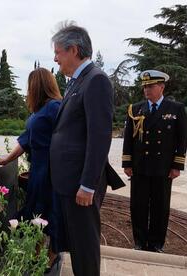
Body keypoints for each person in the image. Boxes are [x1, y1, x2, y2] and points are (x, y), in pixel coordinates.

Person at [49, 22, 124, 276]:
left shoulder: (96, 80)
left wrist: (88, 184)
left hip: (80, 182)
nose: (55, 58)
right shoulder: (77, 81)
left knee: (85, 245)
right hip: (69, 180)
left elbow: (100, 136)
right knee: (76, 243)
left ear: (73, 49)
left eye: (58, 52)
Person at [0, 68, 64, 271]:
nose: (28, 90)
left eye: (30, 86)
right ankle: (36, 256)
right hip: (39, 171)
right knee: (37, 215)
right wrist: (6, 159)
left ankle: (51, 259)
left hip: (51, 172)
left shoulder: (55, 107)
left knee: (51, 215)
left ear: (38, 85)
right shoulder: (41, 109)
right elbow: (26, 139)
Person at [122, 70, 187, 253]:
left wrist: (177, 166)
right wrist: (127, 163)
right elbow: (128, 138)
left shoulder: (175, 109)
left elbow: (182, 140)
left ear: (162, 87)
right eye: (144, 86)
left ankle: (156, 243)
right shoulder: (135, 109)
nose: (146, 90)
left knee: (160, 207)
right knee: (138, 206)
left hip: (163, 168)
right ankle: (139, 241)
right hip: (140, 167)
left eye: (150, 86)